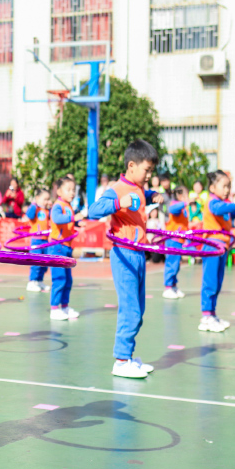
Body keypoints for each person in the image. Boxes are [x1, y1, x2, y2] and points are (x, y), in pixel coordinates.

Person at [89, 140, 163, 379]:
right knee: (130, 308)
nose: (149, 175)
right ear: (132, 165)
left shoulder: (139, 188)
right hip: (124, 253)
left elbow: (142, 197)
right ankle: (121, 361)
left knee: (139, 309)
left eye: (152, 171)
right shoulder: (118, 188)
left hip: (139, 253)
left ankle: (129, 356)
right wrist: (118, 203)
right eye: (147, 170)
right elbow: (94, 210)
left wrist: (153, 194)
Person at [200, 170, 235, 332]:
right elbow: (218, 210)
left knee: (217, 282)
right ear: (212, 188)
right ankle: (206, 316)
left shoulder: (223, 203)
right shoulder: (213, 201)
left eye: (229, 186)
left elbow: (229, 217)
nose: (227, 189)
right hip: (212, 245)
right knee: (210, 281)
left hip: (222, 247)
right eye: (224, 186)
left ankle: (212, 314)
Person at [49, 177, 84, 320]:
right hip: (57, 247)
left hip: (67, 248)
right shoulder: (58, 205)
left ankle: (65, 306)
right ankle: (54, 308)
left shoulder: (69, 206)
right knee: (59, 278)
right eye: (68, 190)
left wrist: (78, 223)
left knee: (68, 280)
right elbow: (57, 219)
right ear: (59, 191)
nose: (72, 193)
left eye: (73, 190)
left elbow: (70, 222)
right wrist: (74, 218)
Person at [162, 186, 189, 299]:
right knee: (172, 262)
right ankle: (168, 287)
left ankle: (173, 285)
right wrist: (185, 203)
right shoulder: (175, 204)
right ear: (179, 195)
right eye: (185, 194)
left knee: (177, 264)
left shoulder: (183, 208)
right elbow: (171, 210)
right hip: (173, 239)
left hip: (180, 240)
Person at [24, 188, 51, 293]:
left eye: (48, 199)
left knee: (44, 262)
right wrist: (34, 204)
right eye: (45, 199)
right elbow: (29, 215)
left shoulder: (46, 210)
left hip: (45, 240)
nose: (46, 201)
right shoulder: (34, 208)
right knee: (36, 261)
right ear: (37, 198)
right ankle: (32, 282)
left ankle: (39, 280)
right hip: (36, 240)